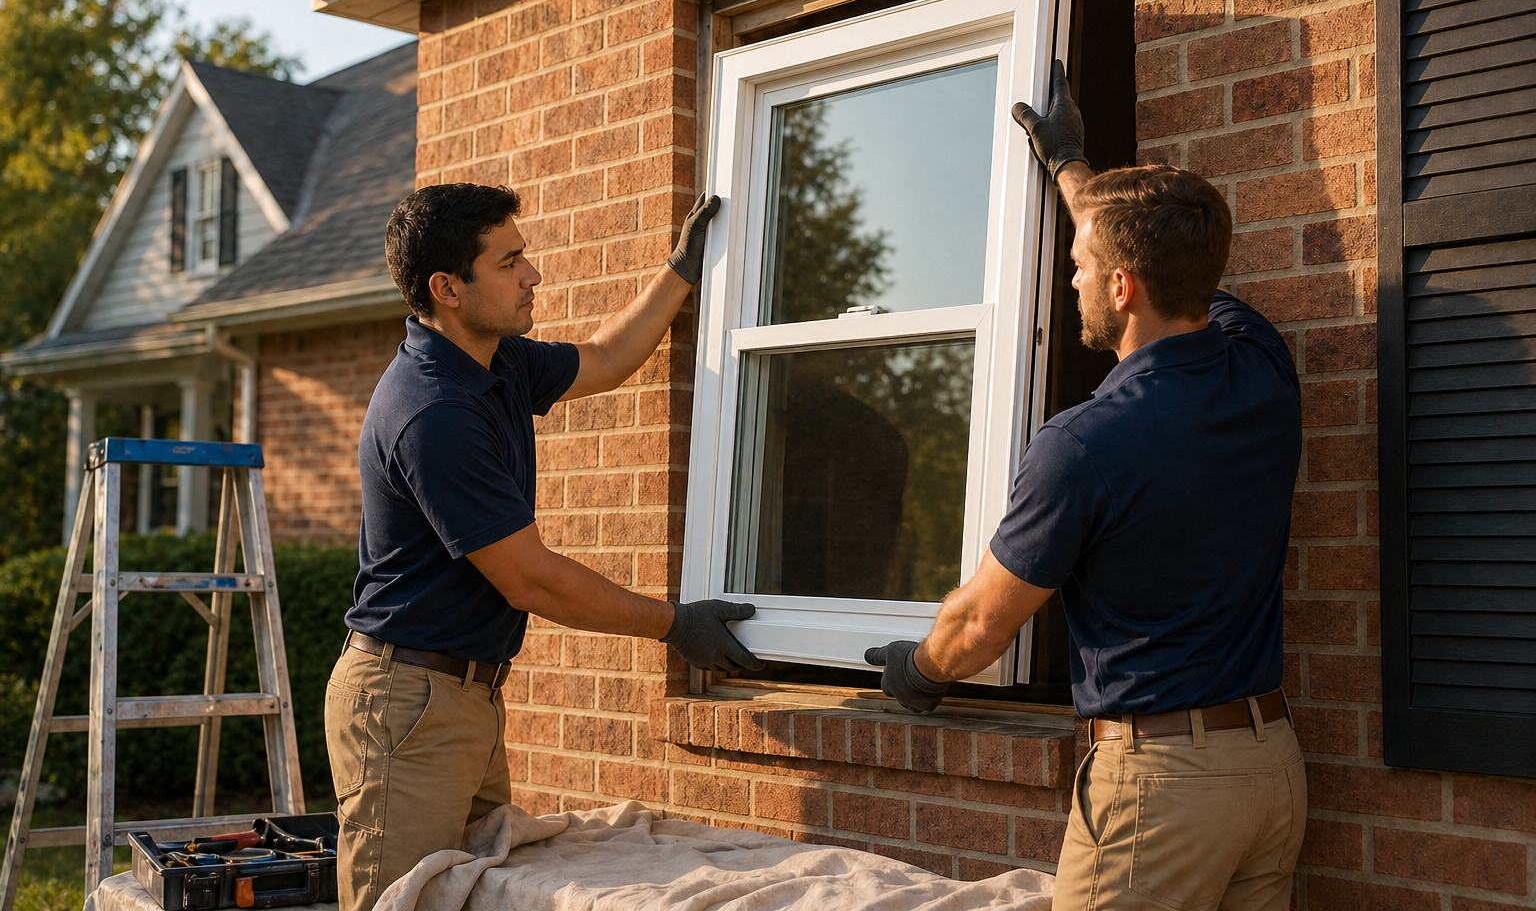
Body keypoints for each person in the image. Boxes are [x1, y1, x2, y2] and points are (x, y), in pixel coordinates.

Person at [865, 61, 1306, 911]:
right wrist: (1071, 165)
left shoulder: (1085, 443)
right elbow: (1151, 258)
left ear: (1119, 286)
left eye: (1077, 264)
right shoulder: (1262, 362)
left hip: (1160, 794)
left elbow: (983, 622)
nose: (1067, 277)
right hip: (1270, 769)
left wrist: (918, 672)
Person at [326, 183, 764, 911]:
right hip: (407, 705)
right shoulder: (434, 412)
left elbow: (605, 358)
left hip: (460, 700)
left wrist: (681, 269)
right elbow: (531, 580)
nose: (534, 274)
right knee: (397, 903)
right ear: (449, 289)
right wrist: (674, 624)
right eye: (510, 261)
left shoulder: (497, 363)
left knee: (471, 896)